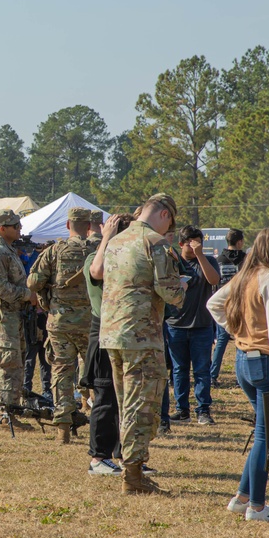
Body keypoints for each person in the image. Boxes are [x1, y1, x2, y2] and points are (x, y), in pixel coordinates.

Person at [208, 228, 269, 522]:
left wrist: (237, 332)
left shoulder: (246, 276)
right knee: (265, 437)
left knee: (262, 431)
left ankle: (242, 497)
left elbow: (214, 304)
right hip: (266, 365)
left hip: (244, 362)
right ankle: (257, 507)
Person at [101, 193, 185, 495]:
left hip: (113, 333)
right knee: (142, 405)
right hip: (142, 335)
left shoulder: (117, 240)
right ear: (164, 215)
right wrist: (181, 287)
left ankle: (130, 467)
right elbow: (170, 292)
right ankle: (133, 476)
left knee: (126, 402)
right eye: (170, 223)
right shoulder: (155, 242)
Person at [28, 207, 93, 443]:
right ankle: (97, 419)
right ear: (89, 226)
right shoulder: (98, 251)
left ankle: (63, 429)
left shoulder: (55, 250)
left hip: (60, 323)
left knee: (62, 372)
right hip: (91, 324)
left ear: (68, 226)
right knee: (95, 373)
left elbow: (33, 282)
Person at [81, 213, 133, 477]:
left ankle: (125, 456)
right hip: (103, 332)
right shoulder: (96, 257)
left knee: (126, 399)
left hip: (125, 334)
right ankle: (98, 457)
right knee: (105, 398)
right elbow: (97, 272)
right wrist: (107, 238)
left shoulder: (127, 259)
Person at [0, 209, 37, 420]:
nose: (19, 229)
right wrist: (27, 295)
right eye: (15, 226)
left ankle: (10, 410)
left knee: (14, 363)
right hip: (1, 316)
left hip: (12, 315)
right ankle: (4, 414)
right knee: (6, 364)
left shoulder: (8, 249)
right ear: (2, 229)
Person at [164, 225, 221, 425]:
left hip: (202, 325)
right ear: (181, 244)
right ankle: (182, 409)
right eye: (191, 243)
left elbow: (214, 279)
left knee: (202, 370)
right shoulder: (173, 261)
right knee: (179, 370)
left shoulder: (208, 260)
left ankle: (203, 410)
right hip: (176, 325)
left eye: (200, 243)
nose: (196, 247)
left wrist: (200, 255)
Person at [210, 228, 246, 383]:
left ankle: (212, 376)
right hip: (240, 304)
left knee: (221, 342)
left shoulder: (218, 260)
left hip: (224, 305)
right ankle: (241, 376)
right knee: (241, 341)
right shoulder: (245, 259)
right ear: (239, 242)